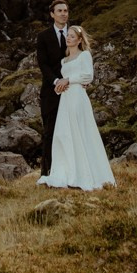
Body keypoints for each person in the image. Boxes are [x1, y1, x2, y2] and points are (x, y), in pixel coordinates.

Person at [38, 26, 114, 190]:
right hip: (65, 99)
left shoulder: (84, 55)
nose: (69, 38)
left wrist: (68, 80)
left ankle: (85, 173)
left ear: (80, 40)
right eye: (68, 36)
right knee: (65, 133)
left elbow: (88, 75)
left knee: (80, 131)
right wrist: (60, 85)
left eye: (73, 36)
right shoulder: (63, 61)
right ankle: (67, 170)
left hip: (78, 98)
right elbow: (63, 78)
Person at [35, 0, 71, 177]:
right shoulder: (43, 36)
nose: (63, 13)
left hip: (72, 91)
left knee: (71, 131)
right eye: (60, 11)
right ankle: (47, 172)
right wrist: (56, 81)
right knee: (50, 132)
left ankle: (70, 169)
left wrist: (72, 80)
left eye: (65, 10)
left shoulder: (75, 34)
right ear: (52, 14)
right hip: (51, 91)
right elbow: (43, 64)